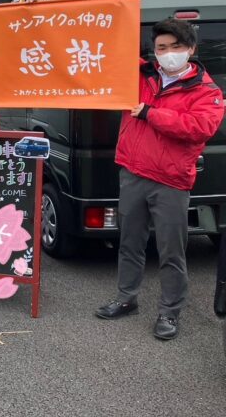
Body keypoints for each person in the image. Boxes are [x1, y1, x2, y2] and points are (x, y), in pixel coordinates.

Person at [96, 18, 224, 340]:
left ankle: (170, 312)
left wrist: (149, 113)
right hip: (133, 172)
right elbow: (107, 51)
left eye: (176, 47)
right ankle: (127, 299)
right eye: (162, 47)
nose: (168, 54)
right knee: (129, 242)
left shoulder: (207, 91)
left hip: (171, 181)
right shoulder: (141, 75)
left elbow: (198, 128)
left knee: (171, 251)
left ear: (191, 50)